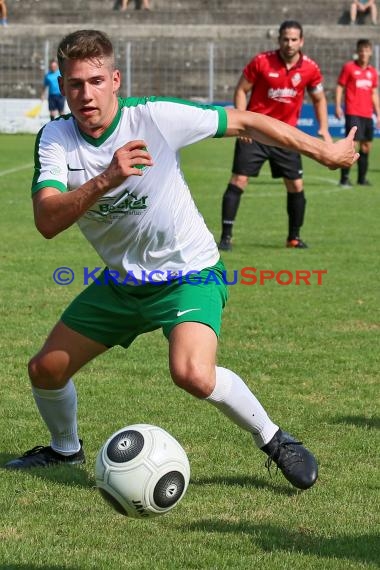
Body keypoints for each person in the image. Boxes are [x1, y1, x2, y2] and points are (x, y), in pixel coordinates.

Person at [4, 30, 358, 491]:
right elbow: (47, 220)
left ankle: (274, 439)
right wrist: (107, 178)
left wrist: (323, 150)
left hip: (188, 273)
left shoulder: (153, 117)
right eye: (74, 84)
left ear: (115, 80)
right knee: (45, 370)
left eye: (95, 81)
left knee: (191, 372)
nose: (85, 94)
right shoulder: (55, 137)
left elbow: (246, 120)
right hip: (122, 282)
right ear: (62, 85)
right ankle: (64, 448)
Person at [218, 20, 332, 252]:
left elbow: (319, 99)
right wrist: (242, 121)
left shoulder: (311, 68)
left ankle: (293, 237)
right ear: (278, 40)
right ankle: (226, 237)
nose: (289, 44)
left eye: (293, 39)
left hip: (286, 136)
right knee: (239, 180)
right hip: (255, 133)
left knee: (296, 185)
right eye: (285, 39)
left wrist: (325, 129)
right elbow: (241, 90)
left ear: (301, 41)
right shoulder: (261, 61)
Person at [335, 38, 380, 187]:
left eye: (366, 51)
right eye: (361, 50)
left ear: (370, 53)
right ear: (357, 52)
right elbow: (340, 87)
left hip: (367, 115)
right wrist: (337, 106)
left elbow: (374, 93)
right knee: (351, 146)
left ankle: (361, 179)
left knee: (366, 146)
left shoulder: (373, 72)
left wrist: (378, 114)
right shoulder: (349, 68)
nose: (363, 53)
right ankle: (344, 178)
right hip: (353, 112)